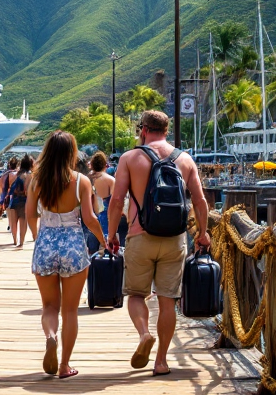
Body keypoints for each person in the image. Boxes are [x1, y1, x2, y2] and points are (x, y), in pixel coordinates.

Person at [107, 110, 210, 376]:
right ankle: (161, 361)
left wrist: (111, 235)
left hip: (140, 235)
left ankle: (144, 334)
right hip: (175, 239)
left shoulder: (130, 158)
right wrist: (202, 233)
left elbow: (117, 201)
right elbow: (199, 201)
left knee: (137, 295)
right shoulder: (185, 159)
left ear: (143, 129)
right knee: (167, 301)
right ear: (167, 130)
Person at [26, 132, 107, 379]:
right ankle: (64, 365)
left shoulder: (36, 180)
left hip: (46, 242)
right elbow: (90, 219)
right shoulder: (81, 181)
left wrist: (36, 237)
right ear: (72, 153)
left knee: (49, 306)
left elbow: (30, 214)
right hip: (73, 244)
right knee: (70, 311)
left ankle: (50, 337)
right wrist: (104, 242)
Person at [7, 154, 33, 248]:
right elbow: (28, 189)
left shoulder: (15, 174)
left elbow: (9, 187)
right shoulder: (29, 176)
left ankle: (14, 240)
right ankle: (21, 242)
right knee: (23, 221)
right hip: (25, 201)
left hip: (14, 199)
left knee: (13, 222)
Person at [0, 157, 19, 238]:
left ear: (9, 165)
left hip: (7, 195)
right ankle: (14, 226)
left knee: (9, 212)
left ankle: (10, 225)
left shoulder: (5, 175)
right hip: (16, 195)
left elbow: (1, 184)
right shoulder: (19, 174)